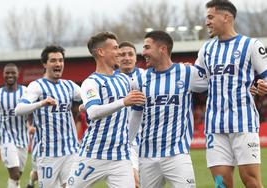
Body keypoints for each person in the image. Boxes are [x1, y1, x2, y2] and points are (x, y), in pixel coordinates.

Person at [194, 0, 267, 187]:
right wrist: (185, 73)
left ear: (226, 17)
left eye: (210, 17)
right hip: (215, 127)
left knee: (251, 180)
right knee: (221, 183)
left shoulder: (251, 45)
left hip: (243, 124)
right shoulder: (206, 49)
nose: (207, 22)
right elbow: (198, 81)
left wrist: (263, 85)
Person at [128, 30, 207, 188]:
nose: (143, 52)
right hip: (147, 157)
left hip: (177, 155)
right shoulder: (140, 79)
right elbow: (136, 116)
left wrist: (250, 88)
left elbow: (218, 85)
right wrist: (126, 143)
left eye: (147, 47)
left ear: (162, 49)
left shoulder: (187, 73)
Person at [66, 32, 145, 188]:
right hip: (93, 153)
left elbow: (151, 82)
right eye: (115, 48)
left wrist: (181, 70)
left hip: (120, 156)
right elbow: (94, 112)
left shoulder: (124, 79)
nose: (120, 53)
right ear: (101, 52)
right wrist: (123, 102)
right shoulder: (91, 82)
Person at [15, 45, 81, 188]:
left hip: (71, 151)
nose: (58, 64)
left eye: (60, 60)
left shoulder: (69, 86)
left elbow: (89, 99)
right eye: (53, 60)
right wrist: (41, 104)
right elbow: (19, 109)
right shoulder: (36, 86)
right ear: (45, 64)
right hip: (48, 154)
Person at [115, 41, 145, 188]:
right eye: (122, 55)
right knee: (134, 182)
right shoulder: (109, 80)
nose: (126, 58)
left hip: (148, 140)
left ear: (135, 58)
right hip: (124, 142)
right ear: (116, 58)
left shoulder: (147, 77)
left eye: (130, 54)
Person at [0, 63, 29, 188]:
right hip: (6, 138)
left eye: (13, 72)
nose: (10, 75)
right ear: (3, 75)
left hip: (23, 139)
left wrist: (32, 126)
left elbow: (32, 111)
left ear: (18, 74)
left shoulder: (26, 92)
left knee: (17, 176)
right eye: (7, 73)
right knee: (15, 174)